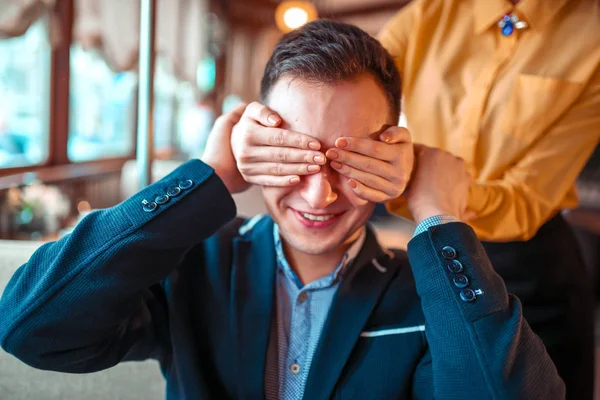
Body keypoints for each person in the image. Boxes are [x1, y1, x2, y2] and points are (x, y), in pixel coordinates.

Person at [0, 21, 564, 399]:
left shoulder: (423, 296)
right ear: (257, 143)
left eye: (348, 162)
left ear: (391, 152)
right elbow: (30, 326)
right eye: (294, 156)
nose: (318, 196)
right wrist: (211, 176)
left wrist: (439, 215)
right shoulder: (197, 266)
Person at [235, 2, 600, 398]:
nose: (319, 195)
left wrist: (431, 192)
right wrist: (240, 131)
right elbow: (351, 77)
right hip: (430, 241)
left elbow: (528, 197)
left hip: (530, 264)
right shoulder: (433, 13)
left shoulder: (592, 37)